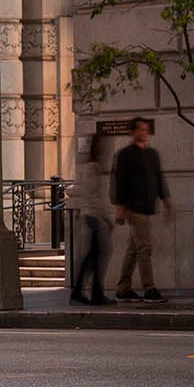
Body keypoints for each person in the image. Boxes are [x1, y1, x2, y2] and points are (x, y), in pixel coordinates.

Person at [111, 116, 169, 303]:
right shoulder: (125, 155)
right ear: (133, 132)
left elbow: (158, 178)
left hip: (147, 206)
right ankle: (149, 288)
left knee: (134, 248)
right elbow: (119, 182)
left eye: (146, 129)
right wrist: (120, 207)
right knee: (144, 248)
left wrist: (166, 199)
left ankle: (123, 287)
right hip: (133, 208)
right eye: (141, 129)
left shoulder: (152, 154)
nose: (144, 133)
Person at [70, 137, 116, 305]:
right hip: (93, 216)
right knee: (100, 253)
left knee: (95, 255)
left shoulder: (94, 168)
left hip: (94, 215)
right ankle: (92, 292)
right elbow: (92, 196)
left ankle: (83, 290)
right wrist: (103, 217)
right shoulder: (92, 168)